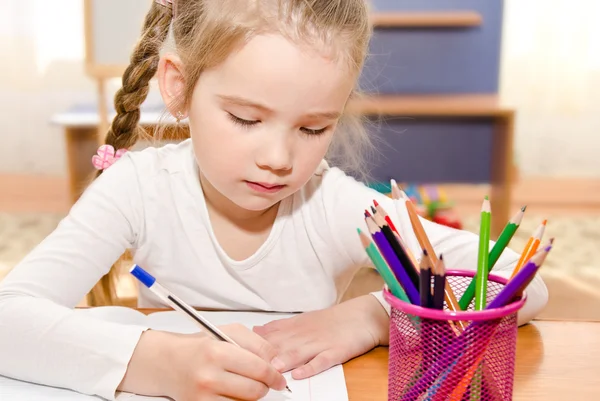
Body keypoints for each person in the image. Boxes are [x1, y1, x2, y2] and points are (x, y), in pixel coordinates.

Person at [0, 0, 548, 400]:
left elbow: (524, 279)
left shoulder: (332, 204)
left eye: (313, 128)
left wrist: (373, 317)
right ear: (178, 87)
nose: (280, 158)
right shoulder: (137, 187)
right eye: (245, 118)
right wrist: (158, 363)